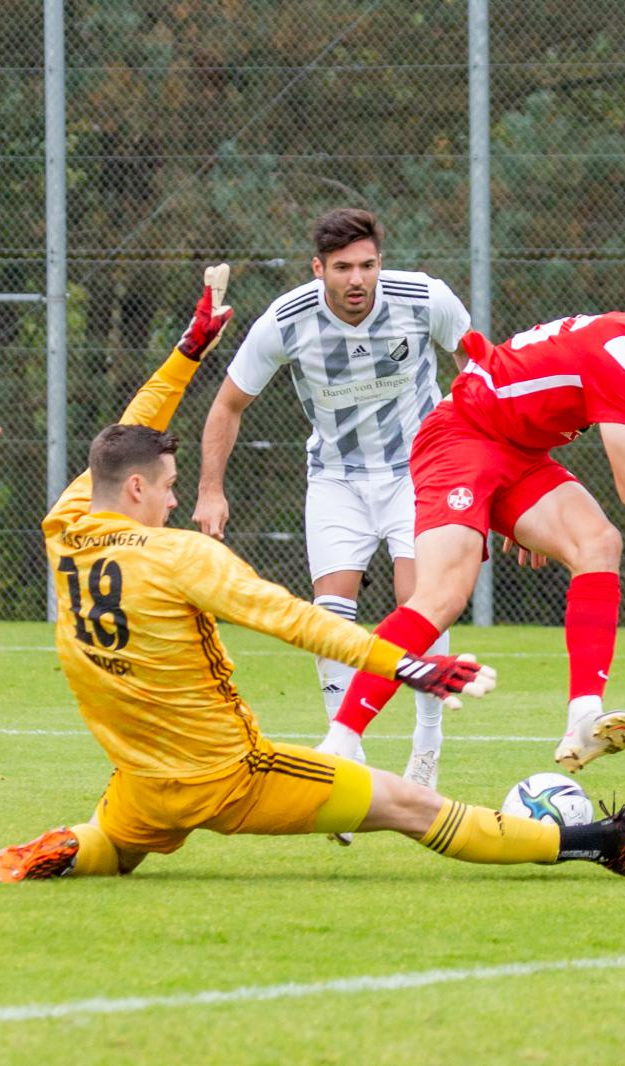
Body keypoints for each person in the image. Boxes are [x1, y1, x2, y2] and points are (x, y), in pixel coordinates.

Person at [0, 267, 625, 885]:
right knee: (410, 807)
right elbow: (297, 620)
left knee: (118, 846)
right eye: (168, 489)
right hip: (229, 778)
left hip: (140, 781)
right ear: (134, 492)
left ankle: (78, 847)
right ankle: (599, 843)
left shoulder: (65, 525)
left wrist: (190, 353)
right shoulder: (177, 556)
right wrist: (404, 667)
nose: (172, 500)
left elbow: (125, 434)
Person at [320, 277, 625, 774]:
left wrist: (522, 519)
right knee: (442, 597)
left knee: (598, 544)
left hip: (519, 451)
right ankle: (340, 743)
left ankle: (584, 716)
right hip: (461, 437)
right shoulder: (622, 354)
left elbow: (526, 386)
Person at [192, 209, 470, 792]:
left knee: (418, 603)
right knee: (330, 616)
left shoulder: (425, 299)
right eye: (342, 267)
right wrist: (210, 490)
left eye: (367, 265)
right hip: (337, 478)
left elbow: (482, 375)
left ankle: (427, 747)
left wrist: (501, 476)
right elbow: (226, 405)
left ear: (379, 265)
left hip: (419, 470)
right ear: (318, 269)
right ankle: (349, 759)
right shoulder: (285, 322)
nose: (357, 280)